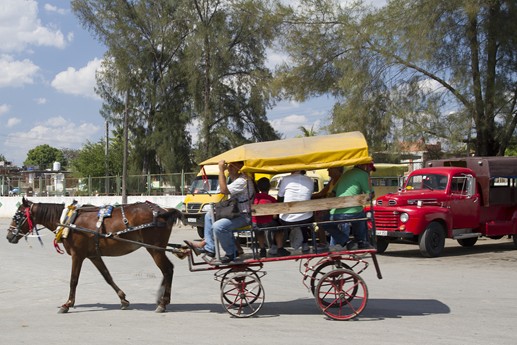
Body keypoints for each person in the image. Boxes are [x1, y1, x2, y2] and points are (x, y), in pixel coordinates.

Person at [185, 160, 254, 264]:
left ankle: (231, 252)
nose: (229, 167)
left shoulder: (243, 181)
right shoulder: (236, 179)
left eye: (232, 165)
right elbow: (219, 189)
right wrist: (225, 171)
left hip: (244, 216)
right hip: (235, 214)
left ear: (239, 167)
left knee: (218, 226)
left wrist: (221, 171)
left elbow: (223, 190)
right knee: (209, 215)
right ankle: (209, 248)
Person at [330, 163, 375, 250]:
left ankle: (343, 241)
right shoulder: (364, 174)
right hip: (352, 212)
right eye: (370, 169)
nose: (370, 171)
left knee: (327, 223)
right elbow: (370, 194)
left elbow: (333, 192)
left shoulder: (346, 173)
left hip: (335, 213)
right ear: (364, 166)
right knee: (361, 216)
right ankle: (362, 241)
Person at [277, 170, 314, 253]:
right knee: (304, 217)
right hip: (306, 218)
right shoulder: (310, 180)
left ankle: (276, 246)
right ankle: (305, 244)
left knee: (278, 221)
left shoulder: (286, 179)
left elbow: (280, 196)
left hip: (287, 219)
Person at [252, 177, 287, 257]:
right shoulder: (272, 199)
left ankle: (262, 249)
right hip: (268, 222)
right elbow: (274, 216)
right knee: (279, 228)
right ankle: (280, 248)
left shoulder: (255, 198)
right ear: (269, 187)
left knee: (259, 231)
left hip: (256, 222)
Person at [312, 166, 344, 250]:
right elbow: (322, 193)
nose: (327, 170)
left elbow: (334, 195)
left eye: (330, 168)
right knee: (318, 217)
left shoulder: (340, 180)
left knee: (320, 218)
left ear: (337, 169)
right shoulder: (332, 181)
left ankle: (324, 242)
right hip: (329, 205)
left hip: (337, 207)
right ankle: (325, 242)